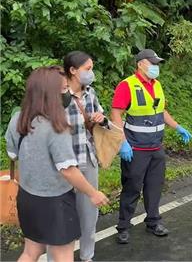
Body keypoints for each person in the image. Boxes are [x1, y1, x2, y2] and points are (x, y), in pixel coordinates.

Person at [5, 67, 109, 262]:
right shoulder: (56, 127)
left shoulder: (17, 119)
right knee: (62, 255)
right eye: (62, 90)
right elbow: (68, 171)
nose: (67, 94)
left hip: (27, 197)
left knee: (31, 252)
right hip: (55, 203)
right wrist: (93, 193)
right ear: (49, 94)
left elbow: (13, 154)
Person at [111, 49, 192, 244]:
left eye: (157, 63)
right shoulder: (127, 86)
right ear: (140, 64)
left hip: (156, 147)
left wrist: (177, 126)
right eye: (152, 63)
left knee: (154, 187)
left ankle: (153, 221)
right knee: (131, 188)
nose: (156, 67)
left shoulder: (157, 85)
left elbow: (161, 110)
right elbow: (115, 115)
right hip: (135, 148)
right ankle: (123, 226)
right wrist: (122, 142)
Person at [62, 51, 106, 262]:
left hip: (87, 159)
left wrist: (100, 118)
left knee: (89, 212)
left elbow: (103, 118)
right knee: (63, 216)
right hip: (63, 164)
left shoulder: (91, 93)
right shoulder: (59, 96)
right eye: (87, 69)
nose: (91, 73)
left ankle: (87, 257)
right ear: (72, 70)